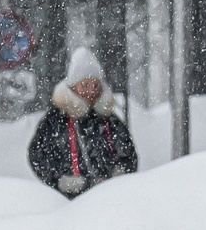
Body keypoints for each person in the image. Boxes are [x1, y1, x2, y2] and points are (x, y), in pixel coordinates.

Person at [28, 47, 139, 197]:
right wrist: (60, 180)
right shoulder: (56, 120)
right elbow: (38, 155)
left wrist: (119, 174)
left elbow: (128, 154)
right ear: (73, 86)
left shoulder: (109, 120)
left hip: (110, 198)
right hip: (67, 203)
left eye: (95, 85)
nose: (91, 91)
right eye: (85, 85)